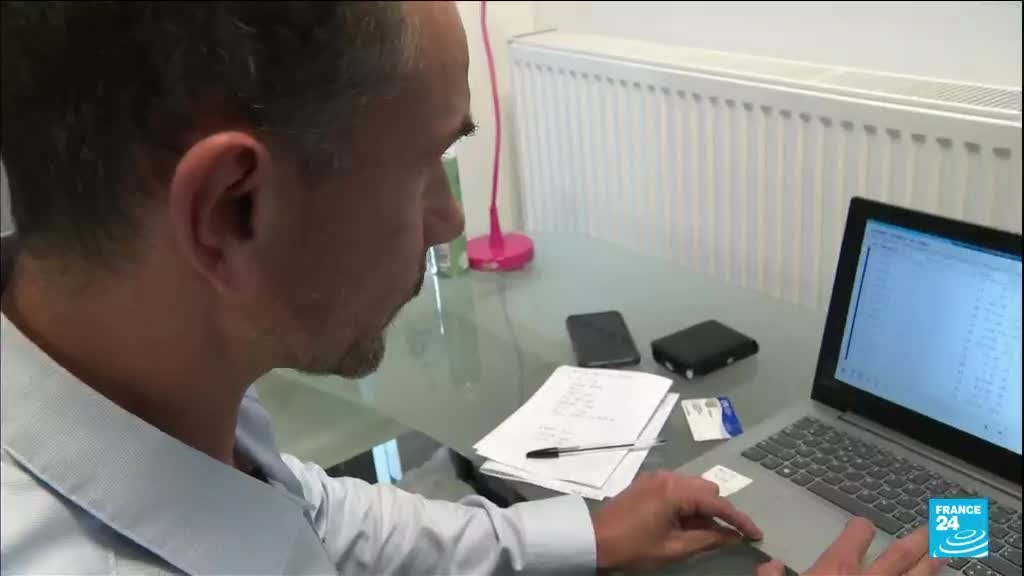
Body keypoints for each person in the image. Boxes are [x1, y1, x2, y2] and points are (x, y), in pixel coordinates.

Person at [0, 2, 948, 574]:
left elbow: (317, 518)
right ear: (233, 209)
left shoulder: (156, 390)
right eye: (427, 165)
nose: (450, 221)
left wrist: (589, 537)